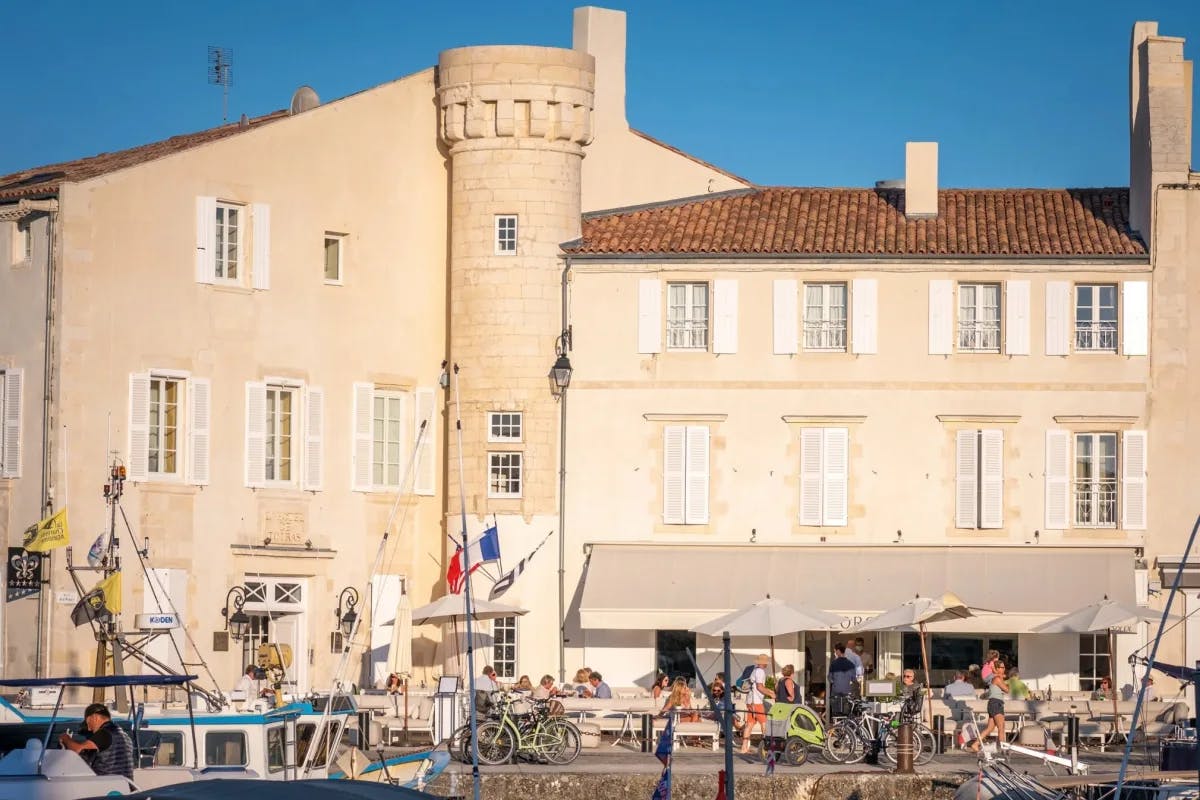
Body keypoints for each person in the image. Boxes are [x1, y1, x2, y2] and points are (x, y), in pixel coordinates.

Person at [58, 703, 134, 780]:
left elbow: (78, 750)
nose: (88, 728)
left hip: (107, 786)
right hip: (126, 786)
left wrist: (66, 738)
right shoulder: (124, 735)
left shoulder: (104, 733)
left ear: (95, 717)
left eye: (88, 721)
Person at [973, 660, 1009, 754]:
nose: (1004, 669)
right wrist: (1007, 682)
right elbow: (1006, 690)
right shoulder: (997, 679)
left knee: (990, 728)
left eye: (1004, 667)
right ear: (996, 669)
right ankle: (1003, 749)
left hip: (993, 703)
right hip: (996, 703)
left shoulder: (997, 678)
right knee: (1001, 727)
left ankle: (976, 744)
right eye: (1002, 667)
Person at [741, 654, 774, 754]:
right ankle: (766, 748)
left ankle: (744, 748)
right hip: (757, 702)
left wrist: (770, 691)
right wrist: (771, 695)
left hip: (750, 701)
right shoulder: (760, 672)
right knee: (764, 724)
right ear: (764, 663)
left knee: (749, 725)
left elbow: (757, 686)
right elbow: (759, 687)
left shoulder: (755, 670)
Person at [827, 643, 857, 719]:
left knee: (836, 714)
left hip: (836, 692)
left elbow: (830, 678)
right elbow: (853, 679)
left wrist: (836, 682)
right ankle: (845, 729)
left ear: (838, 651)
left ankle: (837, 728)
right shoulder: (851, 664)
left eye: (835, 651)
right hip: (847, 692)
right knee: (846, 715)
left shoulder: (834, 663)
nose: (835, 653)